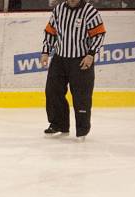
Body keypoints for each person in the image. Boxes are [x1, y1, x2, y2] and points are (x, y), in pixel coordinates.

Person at [40, 0, 106, 141]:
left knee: (81, 96)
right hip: (59, 59)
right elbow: (50, 32)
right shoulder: (58, 10)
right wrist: (45, 52)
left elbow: (99, 34)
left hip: (81, 59)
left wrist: (91, 54)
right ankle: (58, 124)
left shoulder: (89, 11)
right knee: (52, 91)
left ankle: (82, 129)